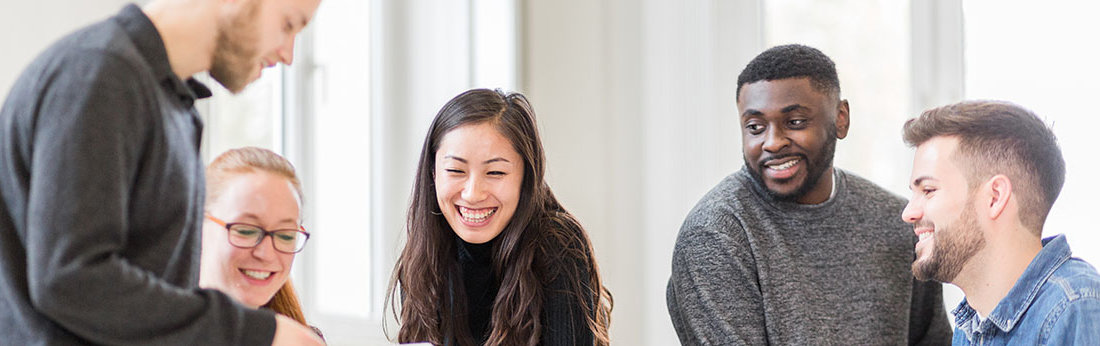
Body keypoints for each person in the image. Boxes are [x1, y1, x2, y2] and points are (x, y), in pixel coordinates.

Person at [0, 0, 323, 344]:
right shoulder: (100, 74)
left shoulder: (173, 107)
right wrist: (259, 333)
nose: (288, 54)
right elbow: (70, 278)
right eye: (288, 24)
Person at [666, 44, 951, 345]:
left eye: (795, 122)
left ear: (841, 119)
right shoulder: (716, 235)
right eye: (755, 127)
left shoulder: (898, 223)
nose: (772, 143)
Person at [386, 89, 613, 346]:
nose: (472, 194)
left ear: (525, 178)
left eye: (495, 172)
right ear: (433, 173)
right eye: (455, 170)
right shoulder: (425, 256)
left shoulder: (559, 246)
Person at [901, 100, 1100, 344]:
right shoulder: (971, 324)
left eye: (929, 190)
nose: (908, 212)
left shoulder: (1076, 306)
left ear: (995, 197)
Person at [201, 147, 322, 339]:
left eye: (285, 235)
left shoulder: (299, 339)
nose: (266, 254)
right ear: (198, 225)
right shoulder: (150, 331)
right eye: (246, 230)